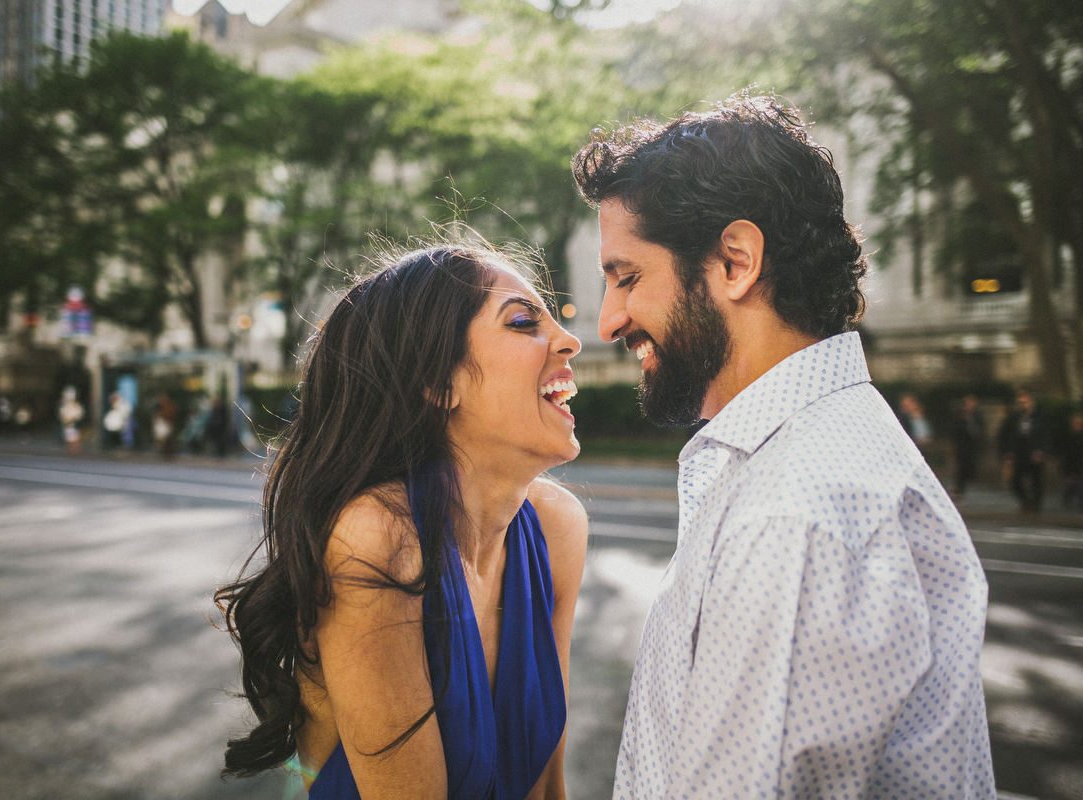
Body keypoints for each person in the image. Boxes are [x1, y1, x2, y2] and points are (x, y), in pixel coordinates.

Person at [573, 93, 994, 797]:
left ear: (736, 261)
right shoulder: (817, 454)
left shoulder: (792, 517)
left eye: (627, 276)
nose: (610, 320)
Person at [216, 244, 588, 798]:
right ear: (438, 384)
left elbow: (545, 783)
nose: (570, 340)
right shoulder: (379, 538)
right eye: (521, 322)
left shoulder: (557, 526)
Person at [998, 388, 1048, 513]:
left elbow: (1045, 435)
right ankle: (1025, 501)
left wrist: (1041, 450)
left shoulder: (1040, 416)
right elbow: (1007, 435)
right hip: (1019, 452)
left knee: (1036, 480)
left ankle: (1036, 505)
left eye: (1025, 402)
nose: (1023, 405)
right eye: (1021, 402)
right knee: (1016, 480)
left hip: (1035, 452)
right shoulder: (1015, 417)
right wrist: (1008, 453)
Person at [952, 394, 985, 498]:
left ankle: (969, 482)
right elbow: (955, 430)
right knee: (962, 467)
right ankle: (960, 488)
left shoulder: (978, 416)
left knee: (971, 466)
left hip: (973, 446)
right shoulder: (960, 415)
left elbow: (980, 430)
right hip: (962, 446)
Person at [1059, 410, 1083, 511]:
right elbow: (1064, 451)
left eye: (1078, 423)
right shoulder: (1067, 435)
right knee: (1070, 484)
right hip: (1070, 464)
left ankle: (1080, 503)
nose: (1076, 425)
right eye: (1074, 423)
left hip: (1080, 464)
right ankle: (1068, 500)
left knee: (1079, 485)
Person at [58, 386, 84, 454]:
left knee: (75, 437)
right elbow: (62, 414)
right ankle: (71, 449)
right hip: (68, 424)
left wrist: (74, 418)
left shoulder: (76, 405)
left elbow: (79, 414)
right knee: (69, 437)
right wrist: (66, 419)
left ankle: (75, 449)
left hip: (74, 423)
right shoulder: (65, 405)